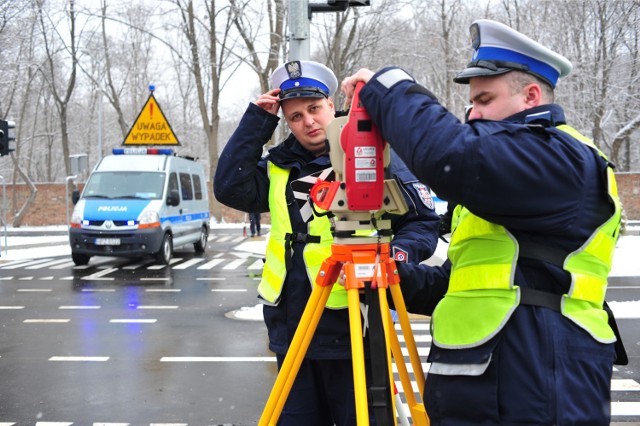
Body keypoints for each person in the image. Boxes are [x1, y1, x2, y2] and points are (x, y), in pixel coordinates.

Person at [340, 19, 623, 426]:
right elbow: (466, 284)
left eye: (485, 99)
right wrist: (391, 278)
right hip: (487, 381)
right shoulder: (509, 180)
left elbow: (447, 156)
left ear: (530, 96)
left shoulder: (560, 157)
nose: (472, 114)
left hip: (536, 380)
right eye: (471, 102)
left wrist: (389, 86)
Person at [213, 60, 441, 425]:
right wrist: (258, 121)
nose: (309, 122)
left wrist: (396, 257)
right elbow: (228, 186)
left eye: (315, 109)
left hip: (356, 323)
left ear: (331, 104)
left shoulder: (371, 154)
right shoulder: (278, 167)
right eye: (296, 116)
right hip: (293, 329)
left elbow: (423, 221)